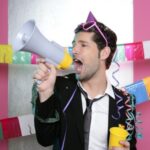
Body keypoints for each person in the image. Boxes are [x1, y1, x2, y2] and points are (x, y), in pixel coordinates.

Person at [32, 12, 136, 150]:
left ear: (104, 53)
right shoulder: (59, 88)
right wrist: (45, 94)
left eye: (83, 45)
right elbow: (45, 140)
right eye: (74, 44)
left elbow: (131, 146)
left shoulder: (126, 102)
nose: (74, 50)